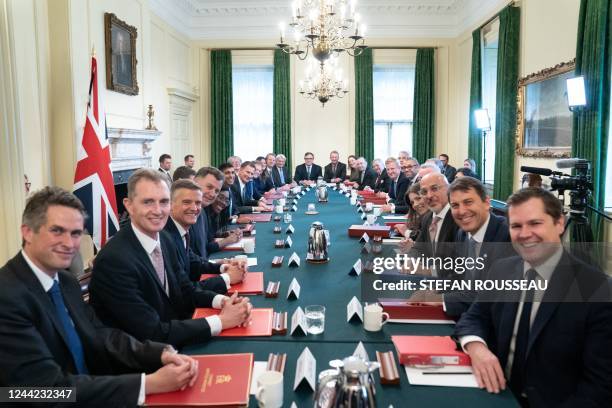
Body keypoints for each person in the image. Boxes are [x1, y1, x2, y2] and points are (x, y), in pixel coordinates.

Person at [0, 186, 201, 406]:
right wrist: (147, 384)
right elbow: (43, 391)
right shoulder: (7, 297)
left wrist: (158, 353)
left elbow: (99, 334)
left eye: (76, 233)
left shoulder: (65, 281)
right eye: (57, 231)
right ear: (27, 231)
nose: (69, 243)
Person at [454, 187, 612, 406]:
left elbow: (600, 387)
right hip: (495, 393)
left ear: (559, 223)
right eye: (516, 226)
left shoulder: (597, 289)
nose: (525, 234)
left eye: (535, 223)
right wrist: (477, 348)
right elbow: (474, 317)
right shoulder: (503, 269)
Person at [89, 169, 251, 348]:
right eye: (148, 202)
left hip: (174, 337)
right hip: (148, 361)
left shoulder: (164, 238)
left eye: (164, 201)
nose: (158, 210)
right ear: (128, 205)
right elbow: (152, 332)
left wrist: (224, 301)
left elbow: (186, 291)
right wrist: (221, 321)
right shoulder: (114, 261)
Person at [443, 177, 512, 317]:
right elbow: (458, 278)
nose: (461, 211)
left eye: (468, 202)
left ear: (486, 202)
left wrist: (442, 299)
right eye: (455, 205)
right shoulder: (462, 233)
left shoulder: (507, 236)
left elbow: (491, 296)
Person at [166, 177, 242, 285]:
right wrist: (227, 278)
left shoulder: (183, 229)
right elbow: (182, 290)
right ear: (170, 204)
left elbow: (193, 261)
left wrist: (224, 266)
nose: (194, 208)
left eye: (198, 203)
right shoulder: (166, 237)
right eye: (186, 202)